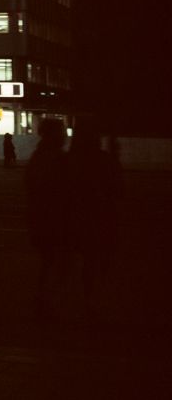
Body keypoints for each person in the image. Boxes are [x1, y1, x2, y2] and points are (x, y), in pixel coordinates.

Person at [68, 118, 122, 317]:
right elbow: (118, 190)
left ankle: (81, 298)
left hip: (75, 218)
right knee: (99, 258)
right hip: (100, 217)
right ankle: (93, 298)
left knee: (81, 260)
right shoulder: (103, 160)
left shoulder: (70, 160)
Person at [25, 117, 71, 319]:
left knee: (50, 263)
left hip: (43, 220)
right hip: (53, 222)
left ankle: (45, 302)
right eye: (62, 132)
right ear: (53, 135)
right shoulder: (52, 158)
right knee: (56, 263)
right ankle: (48, 304)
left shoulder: (40, 156)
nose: (64, 137)